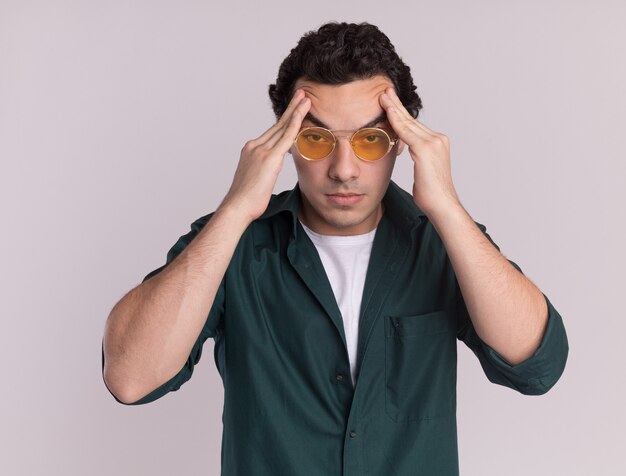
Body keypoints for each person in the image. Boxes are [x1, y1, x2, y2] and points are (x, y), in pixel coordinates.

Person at [102, 21, 568, 476]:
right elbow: (129, 378)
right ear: (284, 141)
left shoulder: (440, 242)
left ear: (401, 143)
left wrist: (446, 206)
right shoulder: (232, 246)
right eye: (316, 139)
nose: (343, 169)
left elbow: (537, 364)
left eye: (370, 139)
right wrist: (236, 208)